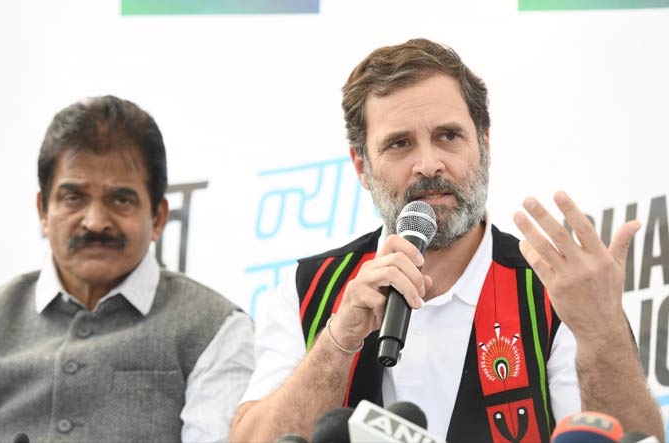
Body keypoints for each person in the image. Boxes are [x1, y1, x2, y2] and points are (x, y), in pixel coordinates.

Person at [230, 39, 663, 442]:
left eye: (448, 136)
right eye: (400, 144)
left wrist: (601, 332)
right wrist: (339, 339)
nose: (428, 164)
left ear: (484, 146)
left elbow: (633, 438)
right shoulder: (311, 287)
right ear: (361, 166)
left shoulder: (552, 288)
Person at [0, 96, 254, 442]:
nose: (95, 222)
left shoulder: (217, 330)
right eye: (74, 198)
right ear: (43, 210)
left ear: (159, 217)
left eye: (121, 199)